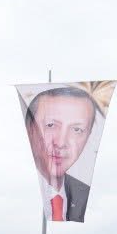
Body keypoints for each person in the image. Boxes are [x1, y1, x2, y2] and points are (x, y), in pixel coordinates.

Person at [23, 84, 98, 222]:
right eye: (51, 125)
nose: (61, 142)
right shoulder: (9, 191)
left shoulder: (88, 195)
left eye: (77, 130)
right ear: (30, 129)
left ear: (88, 136)